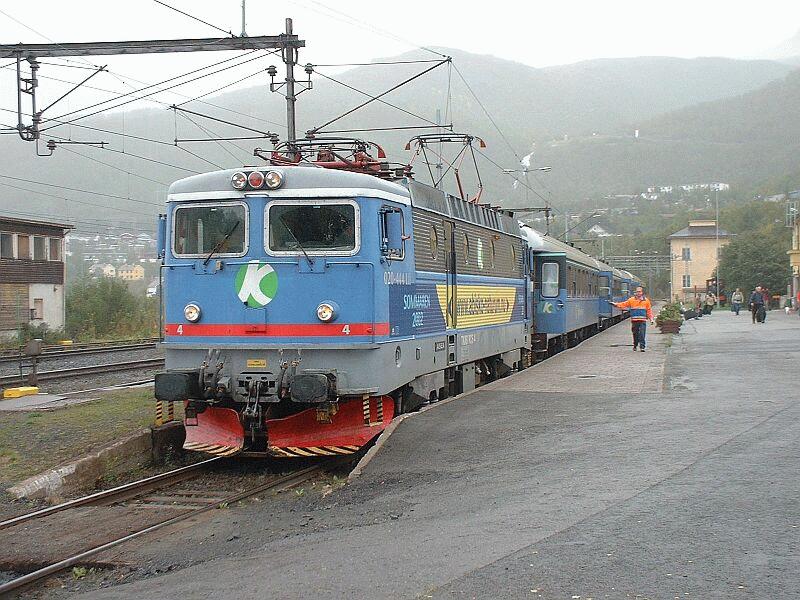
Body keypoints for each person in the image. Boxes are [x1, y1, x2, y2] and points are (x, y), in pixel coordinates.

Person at [613, 286, 654, 352]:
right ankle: (635, 345)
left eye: (640, 291)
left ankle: (642, 347)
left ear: (642, 292)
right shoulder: (631, 300)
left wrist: (651, 319)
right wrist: (616, 304)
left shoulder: (646, 301)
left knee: (642, 333)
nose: (638, 293)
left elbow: (649, 311)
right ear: (635, 292)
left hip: (642, 320)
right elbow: (624, 304)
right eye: (637, 292)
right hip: (634, 320)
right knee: (635, 334)